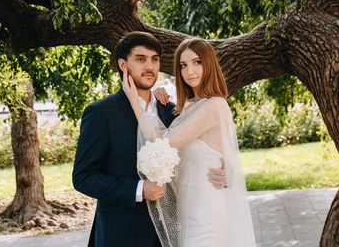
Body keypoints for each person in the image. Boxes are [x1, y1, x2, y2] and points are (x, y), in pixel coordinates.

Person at [73, 32, 226, 247]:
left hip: (171, 236)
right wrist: (139, 189)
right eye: (140, 59)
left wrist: (224, 171)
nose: (150, 66)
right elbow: (83, 177)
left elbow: (197, 152)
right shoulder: (101, 113)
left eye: (154, 59)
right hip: (121, 237)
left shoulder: (172, 111)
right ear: (123, 65)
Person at [123, 37, 256, 247]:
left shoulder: (215, 106)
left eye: (197, 62)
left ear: (209, 64)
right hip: (188, 210)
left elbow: (164, 142)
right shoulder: (189, 107)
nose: (189, 71)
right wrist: (157, 96)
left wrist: (135, 102)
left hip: (208, 213)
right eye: (183, 65)